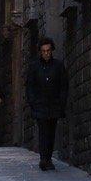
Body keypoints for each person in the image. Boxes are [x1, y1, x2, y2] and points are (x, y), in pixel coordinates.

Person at [25, 37, 69, 171]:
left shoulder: (58, 66)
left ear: (51, 51)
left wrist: (61, 102)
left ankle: (48, 157)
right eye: (43, 51)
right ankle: (44, 159)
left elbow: (63, 85)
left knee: (51, 132)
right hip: (40, 104)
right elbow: (30, 86)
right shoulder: (34, 67)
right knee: (43, 131)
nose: (46, 53)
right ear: (40, 51)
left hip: (54, 104)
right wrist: (33, 102)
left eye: (48, 51)